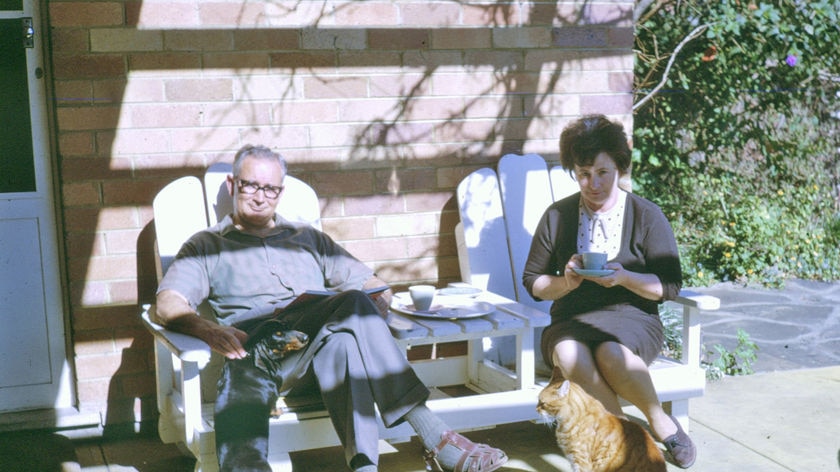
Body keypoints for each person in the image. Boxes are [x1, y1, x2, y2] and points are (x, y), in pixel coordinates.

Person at [153, 144, 507, 472]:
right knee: (349, 309)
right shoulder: (207, 245)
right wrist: (207, 329)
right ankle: (436, 437)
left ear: (281, 192)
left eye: (270, 189)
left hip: (316, 364)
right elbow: (168, 302)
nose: (260, 198)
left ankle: (366, 468)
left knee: (346, 339)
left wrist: (378, 302)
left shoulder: (308, 238)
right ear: (232, 184)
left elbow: (368, 283)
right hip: (259, 358)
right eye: (250, 186)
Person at [521, 115, 697, 468]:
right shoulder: (558, 216)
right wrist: (566, 283)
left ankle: (660, 421)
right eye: (583, 173)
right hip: (570, 319)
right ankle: (629, 431)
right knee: (570, 355)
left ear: (619, 168)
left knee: (610, 353)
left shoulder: (647, 215)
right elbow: (533, 282)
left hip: (631, 319)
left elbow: (669, 285)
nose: (593, 183)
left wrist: (625, 278)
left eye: (602, 172)